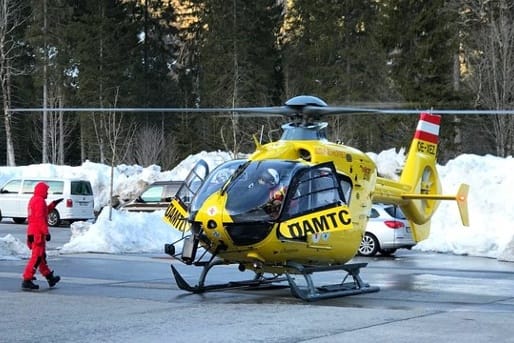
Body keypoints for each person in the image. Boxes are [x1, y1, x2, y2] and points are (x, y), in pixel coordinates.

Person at [21, 182, 63, 290]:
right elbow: (40, 219)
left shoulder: (34, 199)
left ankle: (49, 277)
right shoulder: (39, 201)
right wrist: (46, 232)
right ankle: (27, 279)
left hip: (33, 232)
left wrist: (53, 204)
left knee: (41, 257)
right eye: (46, 191)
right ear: (42, 191)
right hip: (37, 233)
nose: (47, 193)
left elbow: (42, 213)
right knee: (37, 257)